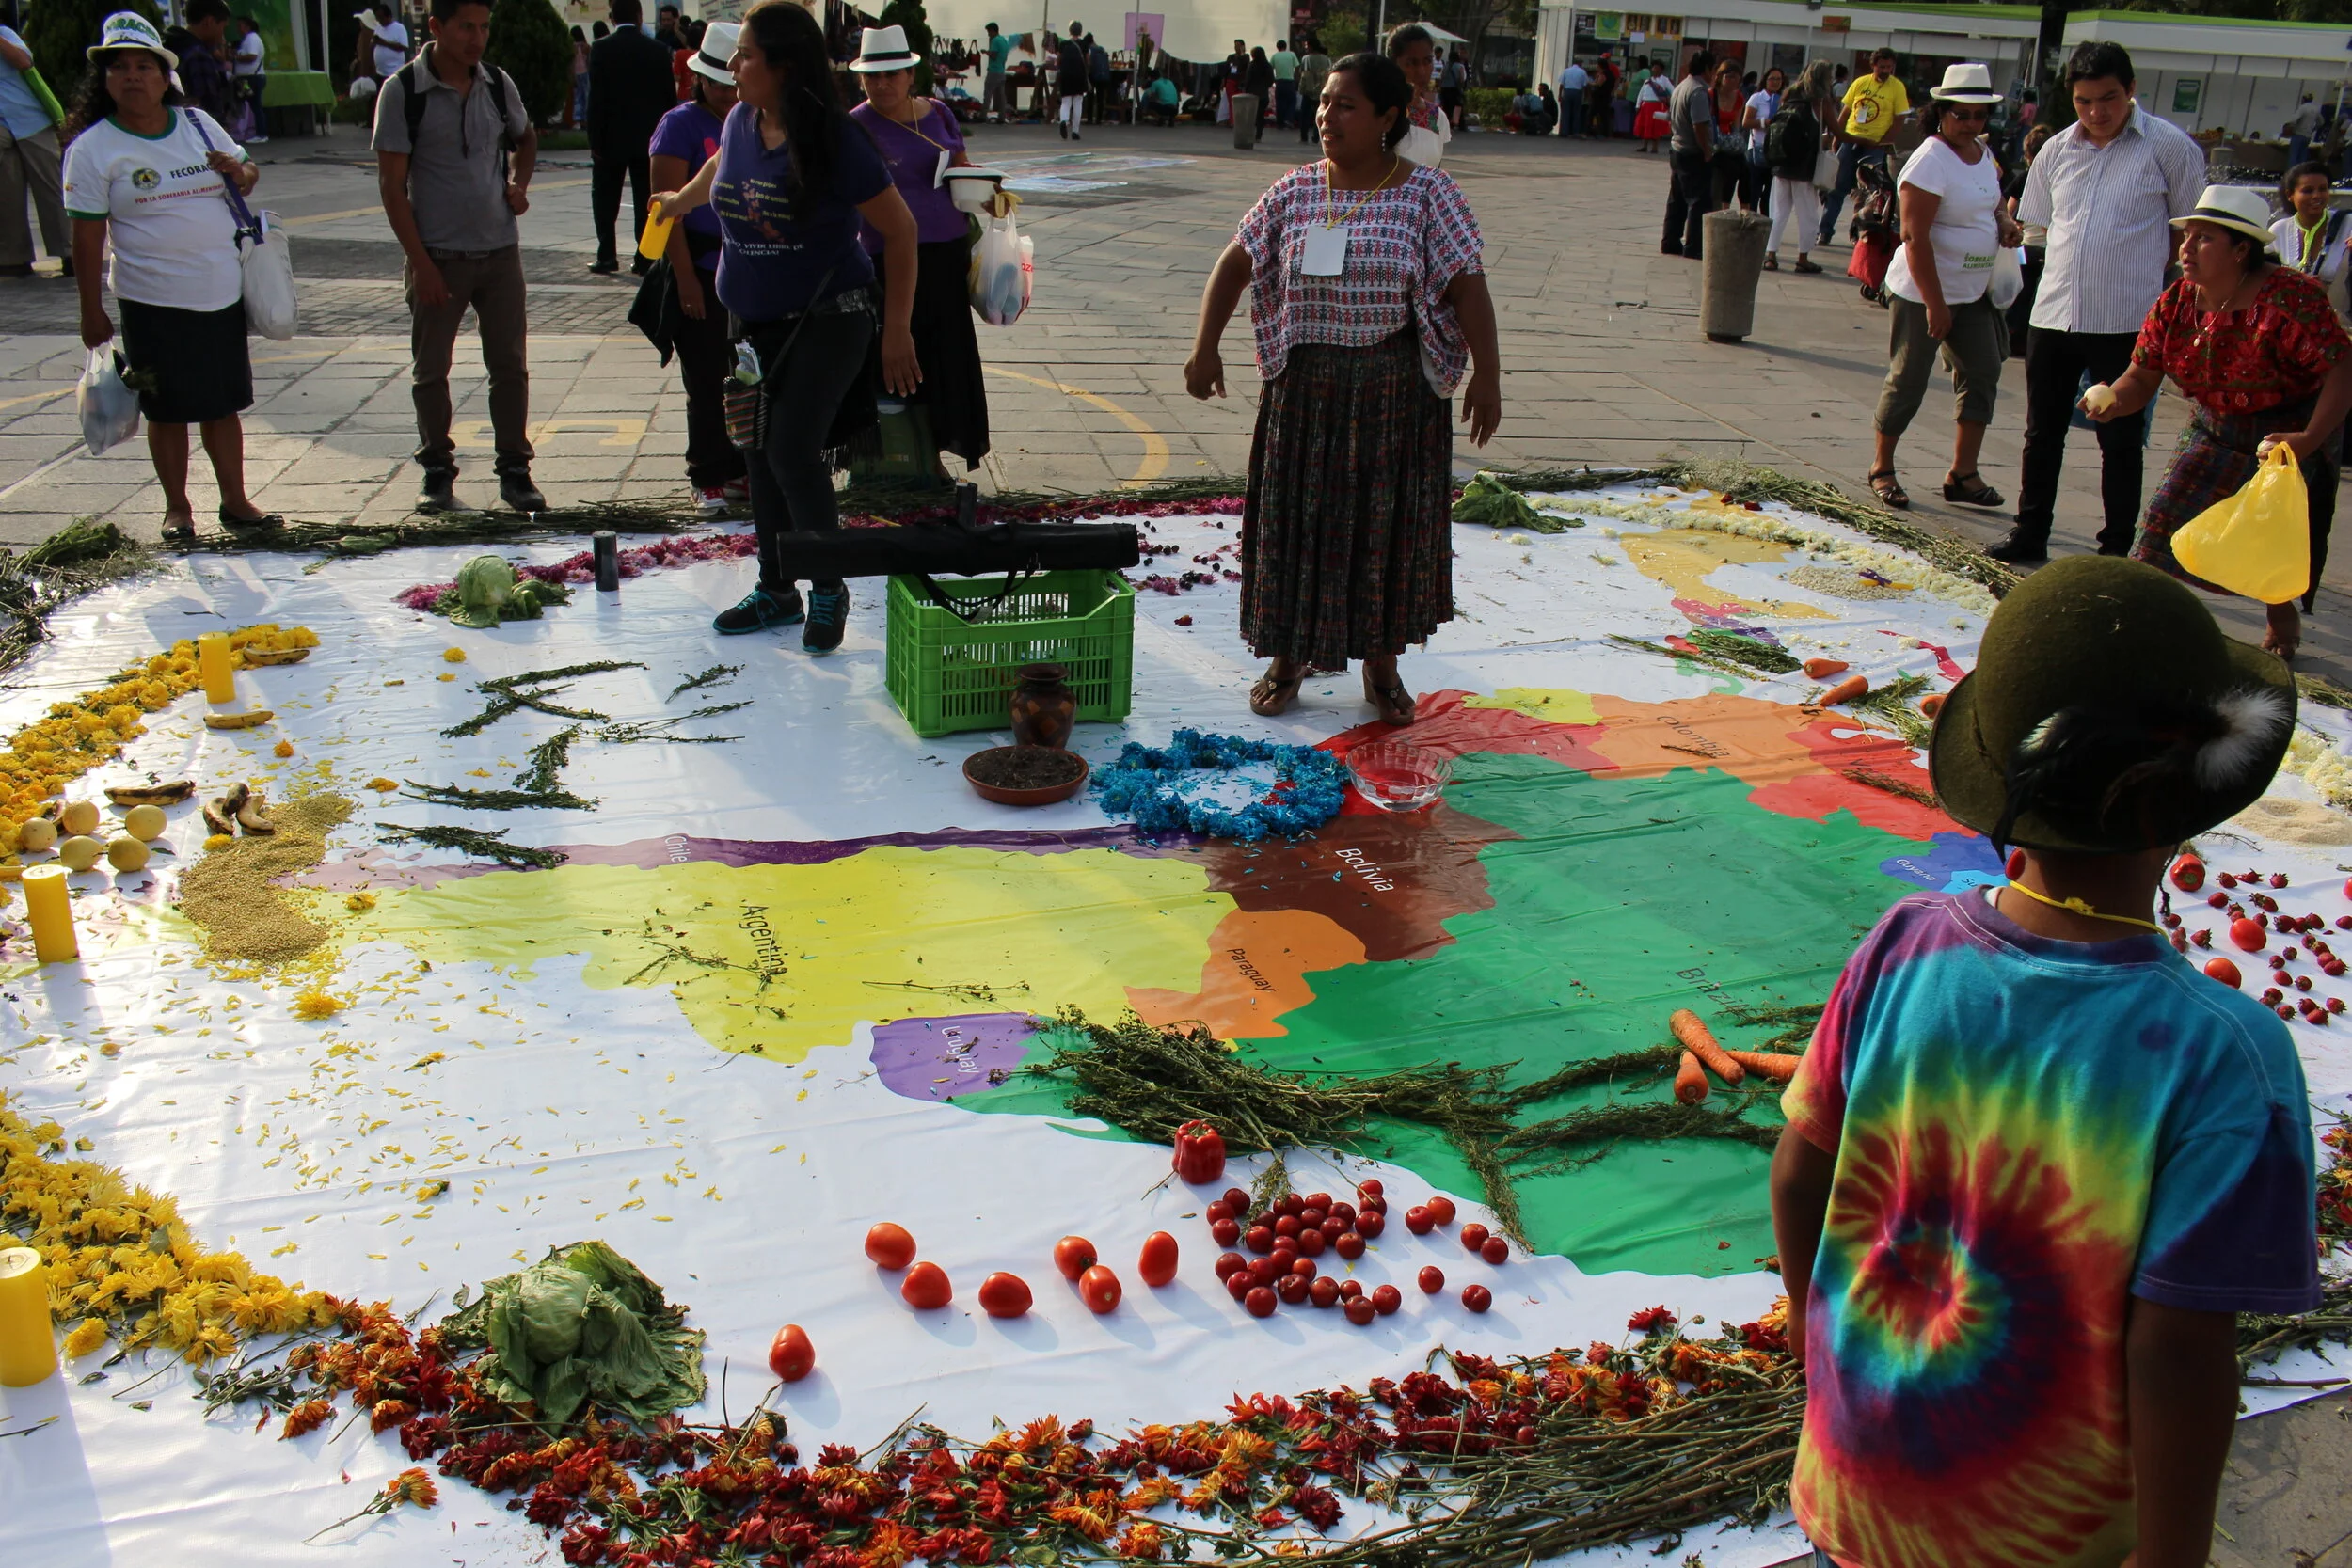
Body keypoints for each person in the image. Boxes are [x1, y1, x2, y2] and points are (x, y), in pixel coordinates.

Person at [1773, 550, 2320, 1568]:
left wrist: (1823, 1365)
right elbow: (2178, 1348)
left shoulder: (1902, 940)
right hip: (2041, 1536)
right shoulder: (2225, 1055)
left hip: (1854, 1487)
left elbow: (1800, 1167)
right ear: (2197, 799)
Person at [1184, 51, 1500, 728]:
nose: (1327, 116)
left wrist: (1489, 376)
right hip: (1304, 396)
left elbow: (1467, 286)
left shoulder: (1427, 195)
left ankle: (1382, 667)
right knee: (1299, 526)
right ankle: (1288, 656)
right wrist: (1204, 345)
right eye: (1324, 102)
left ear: (1388, 118)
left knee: (1384, 532)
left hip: (1394, 397)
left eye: (1346, 105)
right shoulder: (1293, 192)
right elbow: (1235, 262)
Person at [650, 0, 920, 653]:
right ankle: (776, 588)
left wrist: (897, 331)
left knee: (792, 450)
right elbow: (722, 167)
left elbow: (902, 230)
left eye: (745, 54)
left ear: (783, 66)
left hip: (829, 319)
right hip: (751, 324)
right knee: (756, 449)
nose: (731, 65)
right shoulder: (742, 118)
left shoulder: (834, 138)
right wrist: (683, 200)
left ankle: (828, 585)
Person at [2093, 186, 2352, 656]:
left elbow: (2341, 368)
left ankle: (2279, 610)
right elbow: (2140, 376)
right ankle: (2135, 620)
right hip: (2213, 428)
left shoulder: (2292, 298)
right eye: (2187, 236)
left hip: (2284, 433)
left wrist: (2310, 438)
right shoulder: (2177, 302)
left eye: (2204, 239)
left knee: (2270, 538)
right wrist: (2113, 401)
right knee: (2158, 530)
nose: (2187, 249)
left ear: (2241, 249)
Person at [65, 12, 279, 539]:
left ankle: (235, 501)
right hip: (150, 300)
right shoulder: (92, 151)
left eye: (145, 66)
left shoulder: (199, 125)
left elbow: (248, 172)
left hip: (220, 290)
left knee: (223, 405)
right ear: (107, 81)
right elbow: (87, 238)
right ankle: (178, 507)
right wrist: (91, 310)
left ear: (166, 78)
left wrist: (240, 172)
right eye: (120, 68)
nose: (133, 76)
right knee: (167, 410)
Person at [1990, 40, 2203, 564]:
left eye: (2108, 98)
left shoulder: (2168, 147)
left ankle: (2115, 549)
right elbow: (2039, 224)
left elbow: (2193, 229)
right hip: (2056, 312)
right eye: (2084, 101)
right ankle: (2030, 530)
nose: (2097, 112)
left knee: (2121, 439)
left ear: (2131, 91)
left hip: (2129, 318)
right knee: (2042, 432)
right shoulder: (2058, 149)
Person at [374, 0, 543, 515]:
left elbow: (526, 136)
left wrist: (519, 183)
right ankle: (437, 470)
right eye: (466, 27)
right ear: (436, 27)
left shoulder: (495, 82)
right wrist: (421, 263)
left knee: (509, 366)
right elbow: (391, 185)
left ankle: (515, 469)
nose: (477, 38)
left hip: (499, 250)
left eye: (484, 27)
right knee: (431, 371)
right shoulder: (404, 90)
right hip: (439, 256)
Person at [1866, 64, 2017, 513]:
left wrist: (2005, 224)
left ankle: (1962, 473)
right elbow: (1915, 237)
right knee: (1909, 377)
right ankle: (1882, 467)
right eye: (1961, 115)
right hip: (1921, 291)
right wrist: (1935, 305)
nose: (1970, 124)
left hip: (1971, 289)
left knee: (1984, 370)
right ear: (1941, 114)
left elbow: (1991, 206)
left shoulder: (1982, 154)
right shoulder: (1930, 161)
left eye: (1978, 115)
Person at [849, 24, 987, 476]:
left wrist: (981, 185)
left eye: (892, 74)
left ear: (911, 75)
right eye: (873, 76)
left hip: (946, 254)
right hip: (886, 259)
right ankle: (912, 455)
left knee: (946, 357)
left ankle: (937, 453)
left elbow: (959, 163)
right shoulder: (853, 127)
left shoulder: (939, 114)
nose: (882, 84)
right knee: (900, 359)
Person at [645, 23, 745, 515]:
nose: (729, 92)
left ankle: (740, 469)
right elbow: (666, 211)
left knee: (744, 375)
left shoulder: (751, 121)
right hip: (698, 268)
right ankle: (706, 472)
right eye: (719, 83)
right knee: (704, 378)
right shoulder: (680, 124)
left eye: (736, 81)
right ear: (701, 80)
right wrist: (685, 277)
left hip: (746, 269)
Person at [588, 0, 675, 275]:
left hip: (610, 138)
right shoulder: (659, 51)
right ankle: (645, 257)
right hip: (648, 139)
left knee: (605, 198)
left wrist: (594, 141)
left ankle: (607, 255)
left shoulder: (601, 49)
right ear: (639, 16)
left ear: (612, 17)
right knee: (646, 200)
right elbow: (669, 101)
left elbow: (596, 100)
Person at [1815, 47, 1906, 249]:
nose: (1886, 70)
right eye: (1882, 66)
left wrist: (1884, 142)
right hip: (1851, 140)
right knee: (1837, 188)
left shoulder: (1897, 87)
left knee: (1871, 192)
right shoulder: (1860, 83)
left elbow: (1900, 118)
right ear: (1873, 65)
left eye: (1889, 67)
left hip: (1875, 146)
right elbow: (1846, 111)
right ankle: (1825, 231)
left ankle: (1865, 234)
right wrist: (1837, 136)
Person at [0, 20, 67, 279]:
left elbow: (24, 62)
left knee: (50, 189)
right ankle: (13, 258)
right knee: (7, 192)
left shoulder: (5, 33)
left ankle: (68, 252)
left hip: (31, 121)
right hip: (2, 127)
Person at [1760, 62, 1829, 273]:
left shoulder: (1789, 94)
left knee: (1778, 212)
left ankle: (1770, 256)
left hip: (1782, 164)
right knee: (1807, 213)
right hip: (1804, 168)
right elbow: (1835, 128)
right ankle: (1803, 258)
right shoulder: (1819, 101)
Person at [2274, 159, 2352, 320]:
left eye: (2323, 189)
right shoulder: (2278, 230)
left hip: (2338, 324)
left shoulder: (2349, 223)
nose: (2317, 196)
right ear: (2290, 195)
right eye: (2308, 190)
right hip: (2290, 322)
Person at [2001, 122, 2053, 349]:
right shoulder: (2059, 177)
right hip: (2050, 251)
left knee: (2019, 287)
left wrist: (2014, 226)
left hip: (2026, 248)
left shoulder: (2025, 178)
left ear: (2029, 155)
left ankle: (2012, 331)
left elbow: (2009, 210)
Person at [1661, 50, 1716, 260]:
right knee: (1698, 201)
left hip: (1677, 148)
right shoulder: (1699, 91)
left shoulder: (1681, 86)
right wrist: (1708, 151)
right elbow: (1700, 125)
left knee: (1677, 200)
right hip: (1692, 152)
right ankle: (1694, 246)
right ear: (1708, 69)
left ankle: (1670, 241)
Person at [167, 0, 237, 124]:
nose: (223, 36)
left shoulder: (169, 46)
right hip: (198, 131)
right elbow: (209, 108)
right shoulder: (198, 55)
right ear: (209, 22)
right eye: (223, 27)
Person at [1387, 24, 1448, 167]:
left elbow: (1435, 172)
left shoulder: (1437, 116)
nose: (1421, 71)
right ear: (1393, 64)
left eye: (1427, 61)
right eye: (1411, 63)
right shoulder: (1377, 111)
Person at [1740, 65, 1782, 214]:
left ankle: (1766, 225)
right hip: (1757, 148)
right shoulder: (1757, 98)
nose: (1775, 82)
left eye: (1778, 79)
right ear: (1765, 80)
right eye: (1772, 79)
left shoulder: (1782, 99)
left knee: (1770, 194)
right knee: (1754, 190)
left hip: (1775, 151)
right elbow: (1746, 122)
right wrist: (1765, 122)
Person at [231, 15, 267, 141]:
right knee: (251, 106)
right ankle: (249, 132)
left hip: (253, 78)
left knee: (255, 106)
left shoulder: (252, 39)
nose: (238, 29)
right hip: (247, 78)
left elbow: (252, 56)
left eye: (240, 26)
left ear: (247, 26)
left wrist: (236, 57)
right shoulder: (247, 39)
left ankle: (261, 134)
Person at [358, 1, 407, 87]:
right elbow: (374, 44)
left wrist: (384, 43)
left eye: (381, 18)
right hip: (380, 73)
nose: (379, 21)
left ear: (388, 16)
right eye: (378, 18)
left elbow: (403, 47)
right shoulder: (379, 28)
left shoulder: (399, 28)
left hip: (394, 72)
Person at [1295, 37, 1330, 144]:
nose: (1306, 48)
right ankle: (1316, 136)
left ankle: (1303, 136)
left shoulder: (1306, 58)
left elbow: (1302, 72)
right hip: (1322, 89)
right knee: (1319, 113)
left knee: (1304, 114)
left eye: (1306, 46)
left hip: (1308, 90)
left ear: (1311, 46)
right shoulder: (1326, 59)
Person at [1056, 21, 1087, 140]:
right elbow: (1087, 60)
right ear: (1080, 31)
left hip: (1066, 75)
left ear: (1069, 30)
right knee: (1078, 102)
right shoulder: (1083, 44)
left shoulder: (1063, 44)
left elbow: (1058, 60)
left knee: (1066, 101)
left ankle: (1063, 121)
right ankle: (1075, 131)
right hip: (1079, 75)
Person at [1631, 65, 1670, 153]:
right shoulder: (1647, 81)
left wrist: (1670, 99)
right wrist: (1638, 105)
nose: (1654, 69)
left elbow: (1673, 89)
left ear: (1661, 70)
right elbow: (1641, 94)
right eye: (1653, 67)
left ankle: (1654, 148)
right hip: (1646, 105)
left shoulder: (1664, 80)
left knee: (1656, 127)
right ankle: (1644, 146)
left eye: (1657, 67)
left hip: (1657, 106)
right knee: (1646, 126)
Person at [982, 22, 1012, 122]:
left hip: (994, 71)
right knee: (1001, 96)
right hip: (1001, 71)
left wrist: (986, 52)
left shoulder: (995, 40)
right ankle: (1002, 117)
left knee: (988, 94)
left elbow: (994, 55)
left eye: (988, 32)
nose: (988, 34)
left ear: (993, 30)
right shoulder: (1003, 40)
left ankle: (983, 116)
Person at [2287, 92, 2320, 170]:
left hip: (2298, 134)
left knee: (2293, 156)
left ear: (2303, 99)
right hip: (2307, 136)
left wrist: (2292, 128)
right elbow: (2321, 122)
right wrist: (2313, 129)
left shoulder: (2303, 108)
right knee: (2303, 157)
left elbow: (2294, 120)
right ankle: (2301, 174)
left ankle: (2292, 175)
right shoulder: (2315, 109)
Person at [1245, 46, 1273, 134]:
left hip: (1252, 94)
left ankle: (1249, 133)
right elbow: (1271, 80)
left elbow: (1248, 79)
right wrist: (1265, 86)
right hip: (1263, 94)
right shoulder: (1268, 65)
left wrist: (1245, 89)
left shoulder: (1252, 65)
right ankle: (1259, 134)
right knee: (1260, 115)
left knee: (1251, 115)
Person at [1271, 39, 1297, 130]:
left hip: (1279, 82)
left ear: (1277, 47)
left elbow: (1270, 68)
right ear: (1286, 47)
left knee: (1279, 102)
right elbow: (1297, 66)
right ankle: (1289, 119)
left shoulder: (1275, 56)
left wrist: (1274, 79)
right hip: (1290, 81)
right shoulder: (1291, 54)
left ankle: (1280, 123)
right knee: (1292, 101)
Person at [1557, 56, 1585, 140]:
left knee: (1566, 112)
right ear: (1580, 63)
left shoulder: (1566, 71)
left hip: (1567, 92)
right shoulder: (1582, 72)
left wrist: (1560, 95)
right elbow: (1585, 85)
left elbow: (1561, 84)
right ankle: (1574, 132)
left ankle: (1564, 132)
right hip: (1577, 93)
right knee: (1576, 113)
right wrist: (1586, 96)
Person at [568, 24, 588, 127]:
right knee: (586, 96)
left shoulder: (572, 47)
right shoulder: (585, 46)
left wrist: (571, 75)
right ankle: (586, 119)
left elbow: (571, 63)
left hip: (576, 73)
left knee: (577, 97)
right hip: (585, 73)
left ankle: (578, 119)